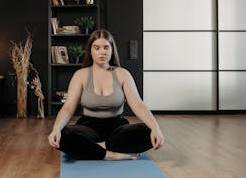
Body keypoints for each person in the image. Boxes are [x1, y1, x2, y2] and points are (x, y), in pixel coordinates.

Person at [47, 29, 164, 160]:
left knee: (148, 131)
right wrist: (56, 129)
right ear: (90, 51)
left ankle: (95, 148)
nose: (102, 52)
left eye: (106, 48)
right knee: (63, 135)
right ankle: (111, 154)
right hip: (88, 128)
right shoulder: (81, 75)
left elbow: (138, 105)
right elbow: (68, 108)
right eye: (96, 48)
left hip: (117, 128)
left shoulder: (123, 74)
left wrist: (156, 128)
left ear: (112, 50)